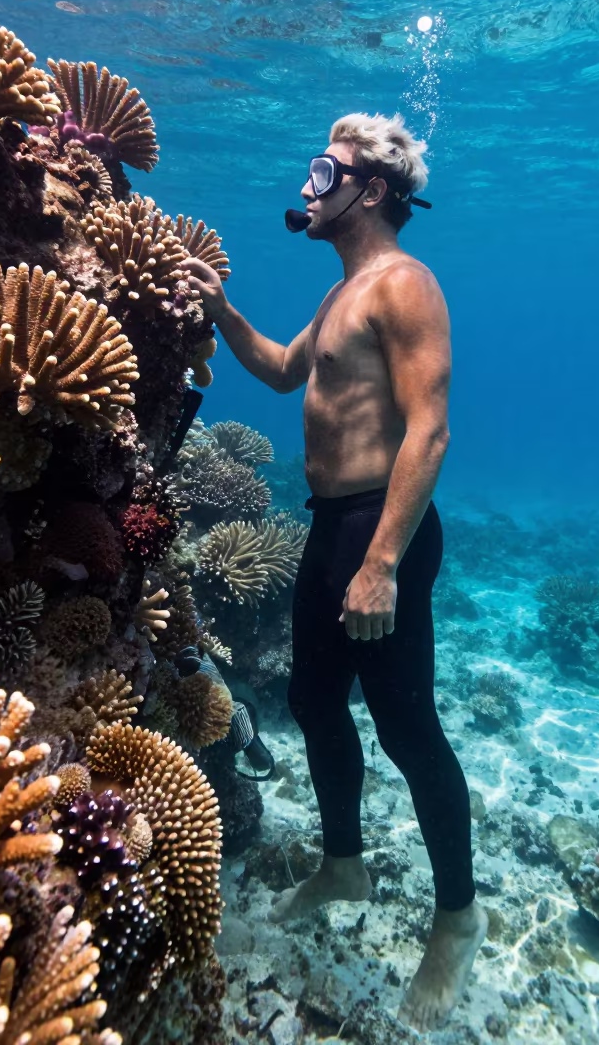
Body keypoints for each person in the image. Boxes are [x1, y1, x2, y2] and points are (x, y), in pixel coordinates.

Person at [184, 112, 488, 1031]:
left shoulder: (405, 285)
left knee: (408, 730)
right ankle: (343, 862)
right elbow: (282, 372)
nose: (310, 187)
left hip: (380, 532)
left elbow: (428, 430)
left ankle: (458, 916)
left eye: (327, 171)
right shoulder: (339, 297)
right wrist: (222, 311)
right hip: (327, 528)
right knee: (315, 706)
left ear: (375, 192)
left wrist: (384, 562)